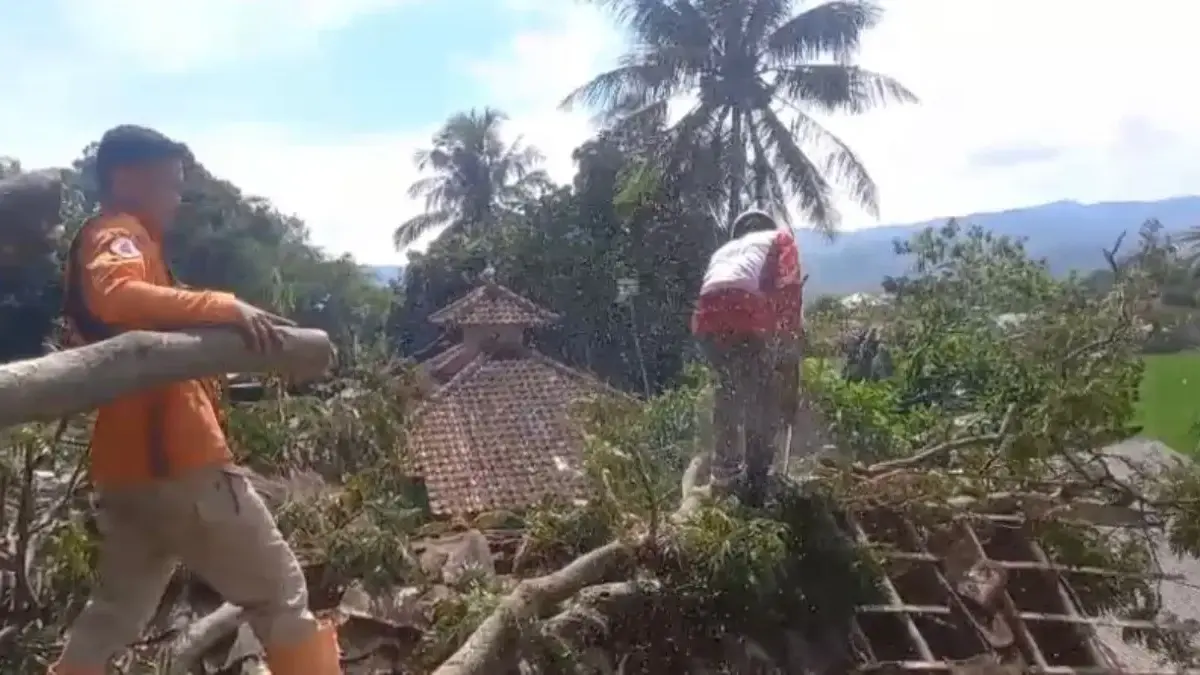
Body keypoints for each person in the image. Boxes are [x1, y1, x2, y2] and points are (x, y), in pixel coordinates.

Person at [50, 126, 340, 675]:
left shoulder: (134, 243)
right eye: (169, 185)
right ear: (126, 180)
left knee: (112, 614)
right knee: (280, 598)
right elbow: (117, 295)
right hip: (180, 463)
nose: (176, 200)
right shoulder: (117, 233)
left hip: (125, 471)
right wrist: (224, 305)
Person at [691, 209, 804, 503]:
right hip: (743, 310)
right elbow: (789, 298)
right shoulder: (781, 239)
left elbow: (715, 290)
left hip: (706, 321)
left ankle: (724, 471)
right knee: (761, 394)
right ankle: (756, 479)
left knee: (727, 389)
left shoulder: (724, 250)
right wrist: (789, 357)